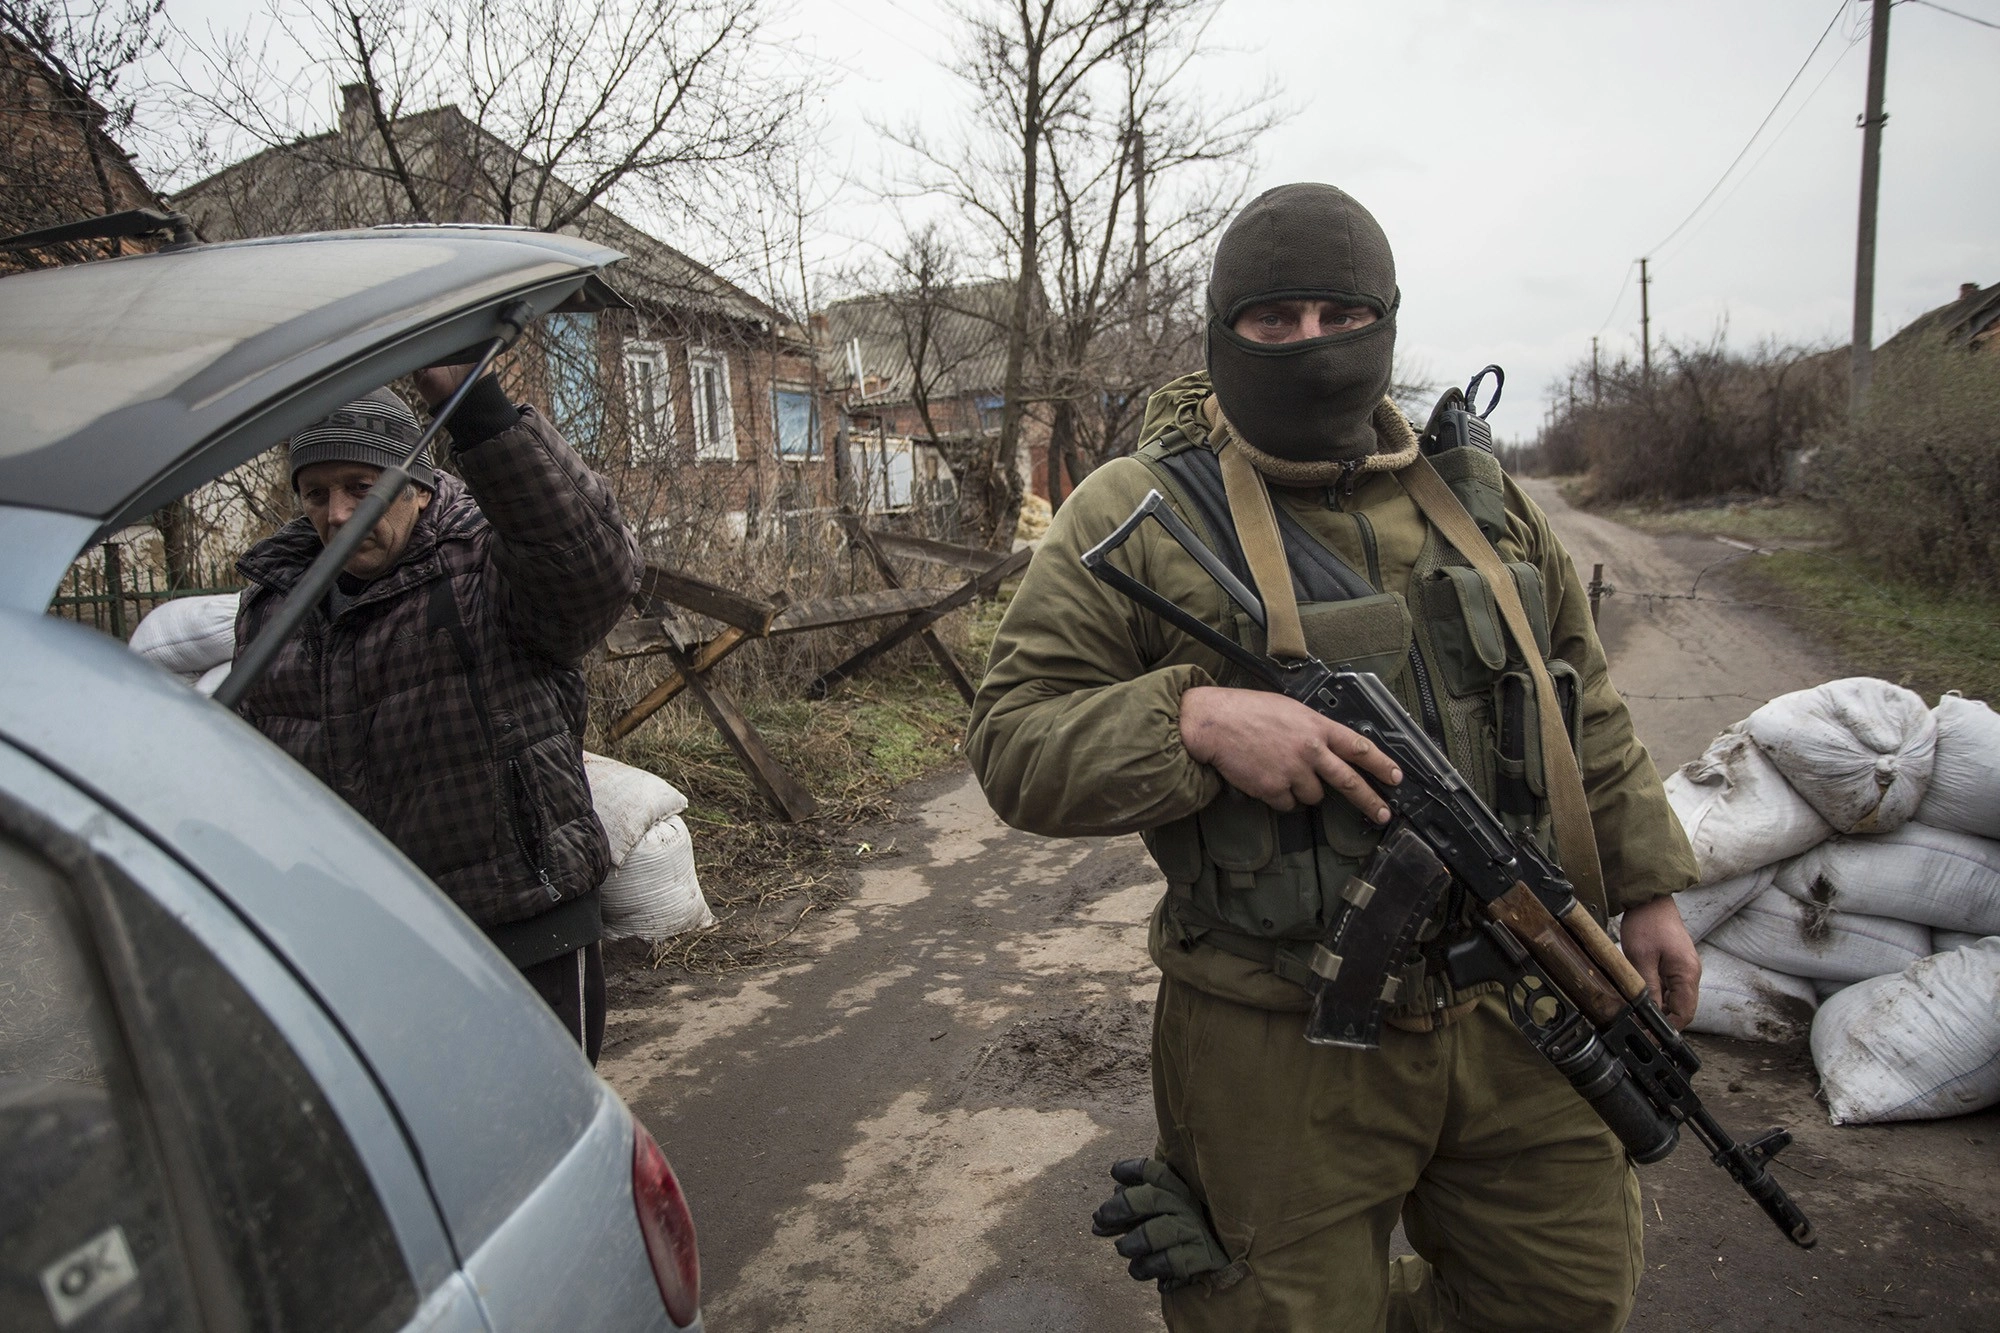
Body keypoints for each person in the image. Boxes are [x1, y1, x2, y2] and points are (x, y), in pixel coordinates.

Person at [966, 183, 1703, 1331]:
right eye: (1273, 319)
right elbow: (1012, 745)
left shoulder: (1486, 506)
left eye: (1335, 314)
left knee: (1562, 1299)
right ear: (1222, 332)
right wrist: (1193, 720)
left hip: (1525, 999)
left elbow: (1581, 704)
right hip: (1275, 1036)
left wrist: (1646, 885)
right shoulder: (1139, 509)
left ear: (1385, 324)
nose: (1309, 343)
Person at [232, 368, 640, 1065]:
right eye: (316, 492)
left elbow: (592, 569)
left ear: (417, 488)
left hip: (518, 927)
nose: (336, 514)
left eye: (363, 488)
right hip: (374, 949)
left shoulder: (485, 566)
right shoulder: (277, 606)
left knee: (540, 1147)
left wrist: (477, 409)